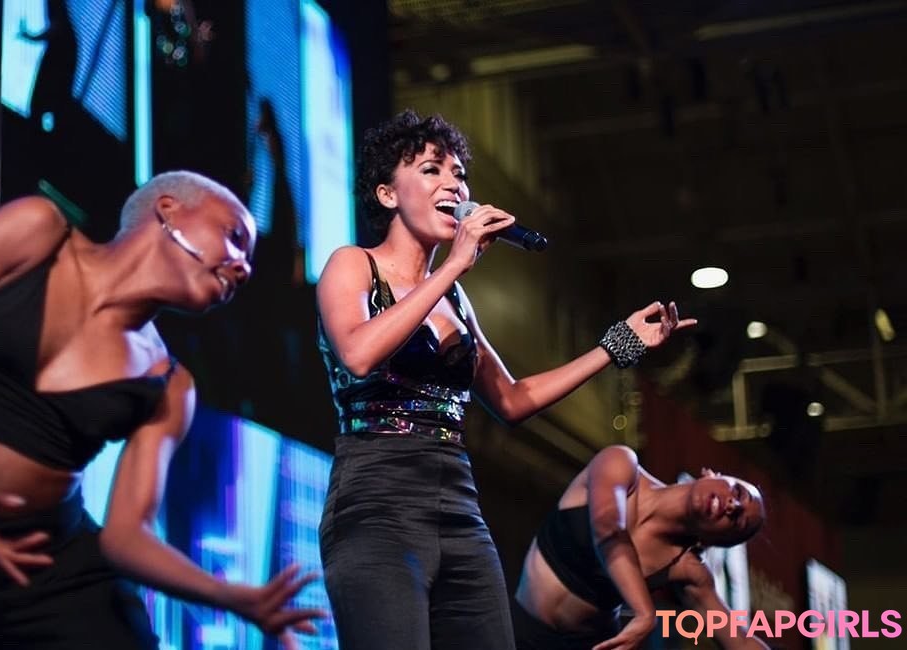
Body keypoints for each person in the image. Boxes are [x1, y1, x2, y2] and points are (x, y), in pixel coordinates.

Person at [0, 171, 323, 649]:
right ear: (168, 209)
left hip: (53, 580)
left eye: (247, 261)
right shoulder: (36, 233)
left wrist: (231, 597)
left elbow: (127, 536)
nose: (244, 268)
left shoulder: (169, 385)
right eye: (234, 237)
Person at [315, 109, 696, 650]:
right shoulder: (354, 264)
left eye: (459, 174)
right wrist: (453, 265)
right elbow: (357, 353)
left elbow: (512, 400)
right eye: (431, 170)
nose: (454, 184)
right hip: (376, 501)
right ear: (387, 194)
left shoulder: (453, 298)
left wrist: (619, 344)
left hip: (458, 506)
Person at [513, 445, 769, 650]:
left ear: (714, 541)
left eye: (737, 521)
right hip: (516, 628)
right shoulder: (621, 464)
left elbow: (740, 642)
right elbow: (607, 529)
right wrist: (645, 612)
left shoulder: (687, 570)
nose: (733, 506)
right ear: (711, 474)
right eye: (738, 493)